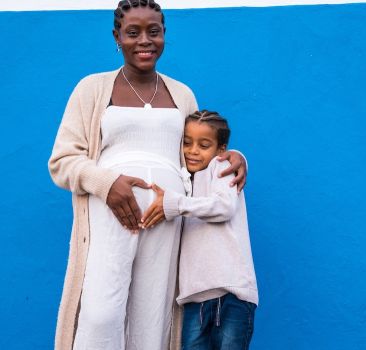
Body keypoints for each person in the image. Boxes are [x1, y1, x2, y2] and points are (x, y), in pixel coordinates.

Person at [47, 1, 248, 350]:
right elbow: (62, 161)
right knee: (101, 313)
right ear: (117, 37)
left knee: (151, 315)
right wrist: (107, 184)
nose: (145, 41)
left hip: (164, 219)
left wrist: (231, 156)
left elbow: (200, 149)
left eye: (153, 32)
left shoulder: (181, 93)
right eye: (133, 32)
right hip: (110, 214)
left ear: (164, 35)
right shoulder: (92, 88)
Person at [141, 110, 258, 350]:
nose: (193, 150)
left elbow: (224, 206)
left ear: (220, 149)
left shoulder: (222, 167)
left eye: (204, 145)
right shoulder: (184, 180)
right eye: (186, 143)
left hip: (231, 293)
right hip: (195, 298)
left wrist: (174, 203)